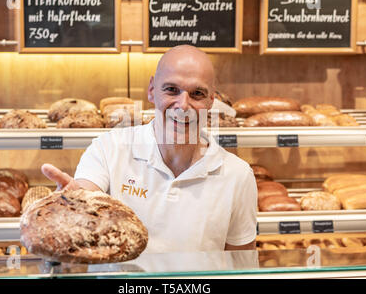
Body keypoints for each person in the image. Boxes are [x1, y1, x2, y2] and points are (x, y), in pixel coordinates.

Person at [42, 45, 257, 253]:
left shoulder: (237, 175)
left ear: (211, 100)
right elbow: (86, 193)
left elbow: (240, 262)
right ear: (152, 90)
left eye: (197, 93)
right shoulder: (109, 149)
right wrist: (75, 203)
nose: (183, 105)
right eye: (172, 90)